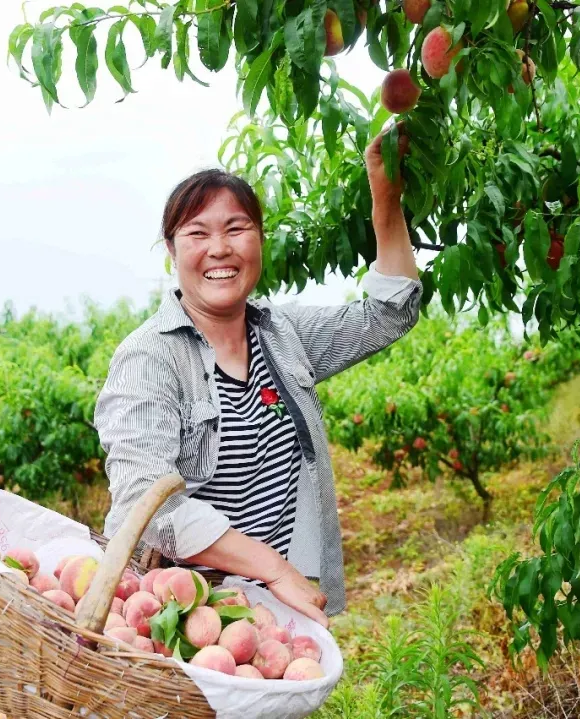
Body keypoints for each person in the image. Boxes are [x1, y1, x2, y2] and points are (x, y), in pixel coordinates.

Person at [94, 125, 421, 627]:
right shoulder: (149, 358)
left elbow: (389, 313)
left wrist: (386, 196)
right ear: (171, 250)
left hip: (273, 620)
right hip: (182, 617)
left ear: (260, 240)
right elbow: (145, 502)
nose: (219, 248)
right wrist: (274, 570)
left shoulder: (282, 334)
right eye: (197, 233)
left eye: (237, 228)